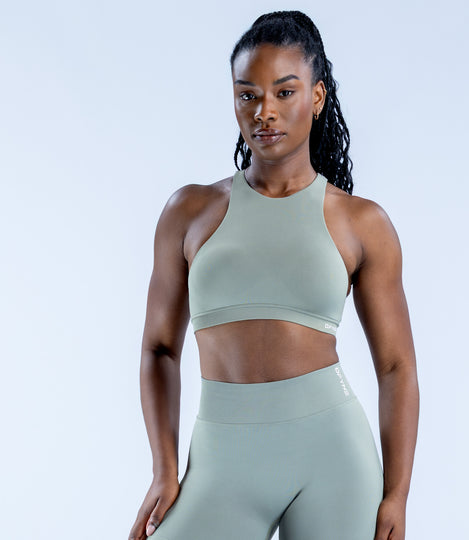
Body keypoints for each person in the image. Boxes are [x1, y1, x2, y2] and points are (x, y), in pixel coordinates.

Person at [128, 10, 419, 540]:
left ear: (317, 96)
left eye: (285, 92)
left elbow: (397, 366)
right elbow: (159, 349)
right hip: (220, 460)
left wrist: (397, 494)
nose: (265, 111)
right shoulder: (189, 212)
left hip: (334, 460)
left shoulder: (361, 223)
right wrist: (163, 470)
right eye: (248, 95)